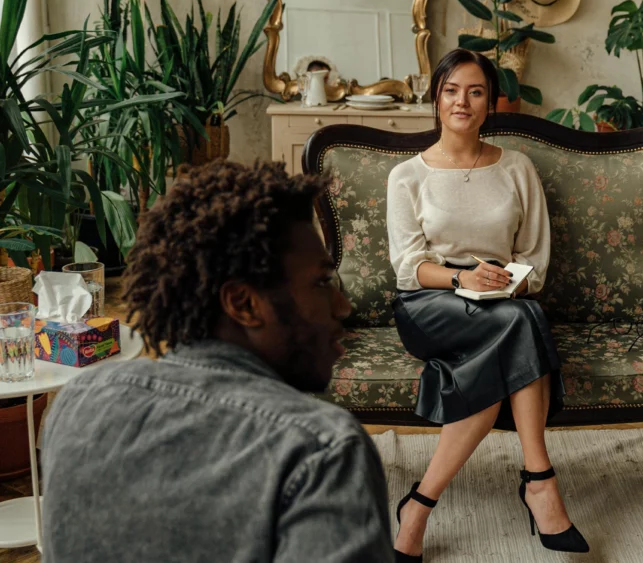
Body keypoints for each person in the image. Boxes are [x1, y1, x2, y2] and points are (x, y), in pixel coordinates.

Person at [40, 161, 393, 562]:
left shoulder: (78, 403)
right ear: (244, 304)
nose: (344, 306)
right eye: (321, 282)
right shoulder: (321, 451)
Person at [386, 48, 588, 561]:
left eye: (475, 91)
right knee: (523, 323)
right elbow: (409, 267)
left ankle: (420, 504)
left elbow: (534, 259)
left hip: (504, 301)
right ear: (436, 98)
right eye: (452, 90)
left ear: (490, 102)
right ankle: (539, 480)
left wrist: (505, 283)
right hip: (429, 305)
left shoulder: (517, 167)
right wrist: (462, 278)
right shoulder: (407, 176)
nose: (463, 102)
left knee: (520, 316)